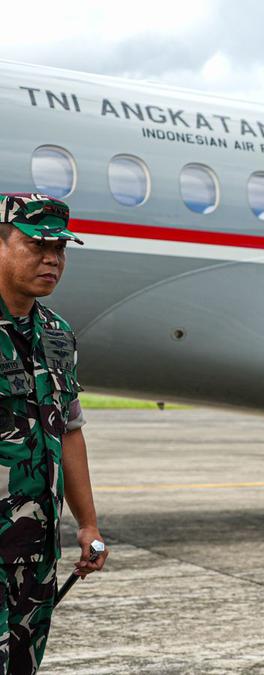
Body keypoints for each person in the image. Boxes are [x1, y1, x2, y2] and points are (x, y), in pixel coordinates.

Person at [0, 193, 107, 673]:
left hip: (35, 548)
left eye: (60, 248)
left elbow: (69, 433)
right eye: (35, 245)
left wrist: (87, 525)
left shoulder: (58, 335)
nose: (52, 259)